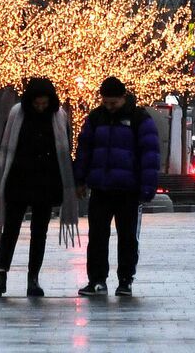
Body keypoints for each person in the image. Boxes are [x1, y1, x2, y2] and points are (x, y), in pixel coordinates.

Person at [0, 77, 79, 298]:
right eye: (37, 103)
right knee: (11, 230)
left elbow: (64, 153)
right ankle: (1, 275)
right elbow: (5, 146)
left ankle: (33, 278)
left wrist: (67, 182)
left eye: (44, 104)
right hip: (19, 178)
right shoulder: (17, 114)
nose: (41, 107)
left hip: (45, 182)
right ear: (30, 101)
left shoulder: (59, 117)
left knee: (40, 232)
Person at [72, 76, 160, 297]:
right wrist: (80, 180)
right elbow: (84, 150)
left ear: (123, 97)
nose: (109, 107)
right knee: (97, 236)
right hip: (101, 188)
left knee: (128, 237)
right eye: (106, 102)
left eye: (114, 103)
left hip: (128, 190)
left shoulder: (139, 118)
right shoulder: (95, 117)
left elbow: (150, 155)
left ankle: (125, 280)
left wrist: (147, 187)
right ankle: (97, 280)